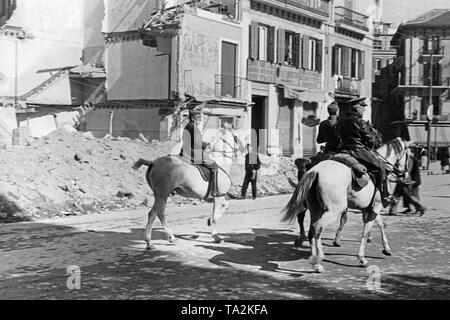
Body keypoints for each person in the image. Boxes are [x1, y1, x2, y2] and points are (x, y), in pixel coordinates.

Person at [336, 97, 398, 207]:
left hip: (343, 150)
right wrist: (370, 145)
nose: (364, 110)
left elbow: (338, 136)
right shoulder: (360, 122)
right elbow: (371, 140)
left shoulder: (341, 121)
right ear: (356, 107)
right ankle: (385, 195)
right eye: (362, 107)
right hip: (358, 151)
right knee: (381, 167)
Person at [181, 108, 219, 197]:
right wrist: (207, 145)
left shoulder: (188, 126)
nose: (200, 121)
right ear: (193, 118)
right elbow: (197, 142)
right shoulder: (193, 127)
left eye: (200, 119)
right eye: (198, 119)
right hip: (192, 153)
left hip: (185, 150)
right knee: (214, 166)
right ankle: (214, 190)